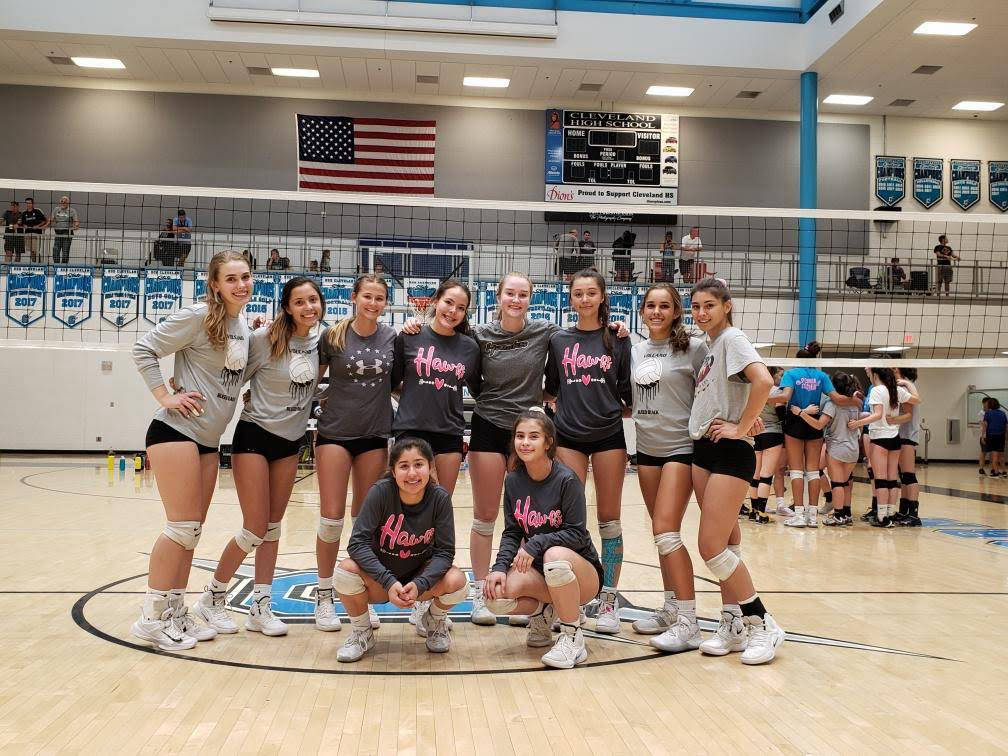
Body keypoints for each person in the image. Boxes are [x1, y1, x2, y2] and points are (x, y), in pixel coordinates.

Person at [403, 273, 626, 627]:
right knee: (485, 516)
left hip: (527, 430)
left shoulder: (547, 333)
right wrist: (415, 324)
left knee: (531, 516)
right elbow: (462, 365)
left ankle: (545, 595)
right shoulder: (478, 336)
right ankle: (481, 592)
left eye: (523, 294)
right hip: (489, 426)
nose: (516, 300)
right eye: (510, 293)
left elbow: (583, 341)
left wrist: (616, 327)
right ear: (499, 296)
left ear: (530, 299)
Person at [130, 250, 252, 650]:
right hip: (175, 432)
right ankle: (151, 618)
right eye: (230, 279)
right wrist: (165, 396)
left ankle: (175, 610)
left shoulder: (241, 326)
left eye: (245, 277)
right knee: (180, 528)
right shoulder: (198, 315)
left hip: (207, 441)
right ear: (214, 284)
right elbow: (143, 349)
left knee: (192, 532)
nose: (240, 285)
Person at [194, 277, 323, 636]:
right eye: (299, 302)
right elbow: (230, 376)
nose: (308, 307)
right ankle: (212, 597)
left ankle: (260, 607)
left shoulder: (322, 343)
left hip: (291, 441)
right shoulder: (264, 339)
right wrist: (185, 388)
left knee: (272, 527)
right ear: (287, 307)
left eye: (313, 300)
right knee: (254, 527)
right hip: (254, 436)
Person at [687, 277, 782, 664]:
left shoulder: (732, 338)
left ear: (727, 305)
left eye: (709, 305)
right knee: (726, 543)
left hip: (729, 451)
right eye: (696, 306)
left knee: (710, 546)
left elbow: (764, 381)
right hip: (704, 448)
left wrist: (741, 427)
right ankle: (733, 624)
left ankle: (762, 623)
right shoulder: (711, 347)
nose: (701, 312)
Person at [545, 270, 632, 635]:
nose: (584, 299)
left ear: (601, 297)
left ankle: (608, 599)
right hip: (568, 436)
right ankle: (574, 599)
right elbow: (550, 389)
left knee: (609, 518)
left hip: (609, 435)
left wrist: (607, 409)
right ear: (571, 298)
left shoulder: (618, 339)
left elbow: (627, 391)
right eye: (578, 293)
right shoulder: (558, 339)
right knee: (569, 519)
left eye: (590, 293)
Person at [483, 409, 604, 668]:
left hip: (581, 574)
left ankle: (572, 637)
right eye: (520, 436)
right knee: (495, 597)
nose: (525, 442)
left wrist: (536, 544)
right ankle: (544, 612)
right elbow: (512, 532)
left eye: (533, 436)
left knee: (554, 555)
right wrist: (499, 568)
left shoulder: (567, 480)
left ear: (548, 442)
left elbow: (576, 533)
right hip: (541, 572)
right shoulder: (513, 481)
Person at [334, 438, 469, 662]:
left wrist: (421, 583)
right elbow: (357, 544)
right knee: (345, 572)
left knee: (458, 582)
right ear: (393, 471)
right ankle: (362, 632)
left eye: (419, 464)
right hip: (381, 582)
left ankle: (434, 619)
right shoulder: (380, 492)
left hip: (418, 582)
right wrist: (388, 582)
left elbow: (445, 552)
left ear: (430, 467)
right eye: (404, 466)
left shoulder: (440, 498)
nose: (412, 473)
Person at [313, 275, 396, 632]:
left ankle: (362, 592)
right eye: (367, 297)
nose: (373, 303)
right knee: (331, 519)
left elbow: (402, 382)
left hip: (375, 434)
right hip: (335, 433)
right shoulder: (332, 336)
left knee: (366, 522)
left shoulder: (392, 338)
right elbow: (310, 381)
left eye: (379, 298)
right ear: (354, 297)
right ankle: (324, 596)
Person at [629, 284, 706, 650]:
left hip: (680, 447)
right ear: (642, 311)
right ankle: (671, 608)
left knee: (666, 530)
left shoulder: (695, 348)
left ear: (676, 311)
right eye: (650, 305)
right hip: (647, 449)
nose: (656, 312)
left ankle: (689, 622)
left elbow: (716, 389)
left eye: (664, 306)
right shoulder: (636, 349)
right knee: (661, 534)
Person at [778, 342, 860, 528]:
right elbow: (838, 399)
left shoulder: (791, 374)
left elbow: (784, 397)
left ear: (798, 360)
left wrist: (763, 397)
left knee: (796, 471)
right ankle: (813, 516)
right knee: (814, 471)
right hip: (814, 422)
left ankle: (799, 515)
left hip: (795, 421)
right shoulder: (821, 376)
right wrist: (854, 401)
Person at [848, 368, 917, 527]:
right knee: (892, 479)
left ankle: (882, 517)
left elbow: (878, 414)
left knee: (880, 480)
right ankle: (890, 515)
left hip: (879, 438)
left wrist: (857, 423)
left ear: (875, 374)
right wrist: (908, 384)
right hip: (895, 438)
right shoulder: (895, 389)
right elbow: (917, 400)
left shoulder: (877, 390)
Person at [793, 372, 861, 527]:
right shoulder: (854, 403)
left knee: (837, 484)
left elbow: (818, 425)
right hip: (853, 448)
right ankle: (846, 514)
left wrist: (801, 413)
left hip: (837, 448)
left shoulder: (832, 404)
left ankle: (838, 515)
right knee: (845, 483)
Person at [748, 366, 786, 523]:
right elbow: (781, 414)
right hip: (772, 433)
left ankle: (753, 511)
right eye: (780, 374)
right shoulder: (776, 391)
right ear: (773, 375)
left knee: (755, 474)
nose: (781, 377)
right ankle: (761, 513)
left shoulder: (752, 388)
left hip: (755, 432)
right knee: (766, 474)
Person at [894, 368, 923, 524]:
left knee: (909, 475)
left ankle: (913, 515)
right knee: (904, 476)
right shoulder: (904, 385)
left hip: (907, 434)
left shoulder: (906, 386)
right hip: (902, 435)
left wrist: (890, 421)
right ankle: (903, 511)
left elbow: (909, 412)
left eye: (893, 368)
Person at [47, 195, 80, 265]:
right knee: (55, 250)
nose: (63, 203)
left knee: (65, 252)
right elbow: (51, 219)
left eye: (65, 202)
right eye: (62, 202)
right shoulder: (56, 209)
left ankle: (64, 267)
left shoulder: (72, 211)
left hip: (67, 233)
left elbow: (76, 221)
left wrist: (76, 225)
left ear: (68, 203)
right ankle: (56, 266)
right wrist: (45, 226)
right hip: (58, 233)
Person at [982, 398, 1007, 478]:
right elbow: (1006, 426)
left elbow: (985, 426)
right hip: (1001, 436)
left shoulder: (988, 413)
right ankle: (1004, 472)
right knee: (1001, 455)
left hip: (992, 435)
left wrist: (983, 436)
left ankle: (996, 472)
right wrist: (1006, 436)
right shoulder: (1003, 413)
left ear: (989, 405)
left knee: (994, 455)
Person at [19, 197, 46, 264]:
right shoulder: (24, 213)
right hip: (28, 234)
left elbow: (44, 221)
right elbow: (21, 223)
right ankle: (35, 264)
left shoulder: (37, 211)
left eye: (29, 203)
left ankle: (39, 264)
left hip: (36, 234)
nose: (28, 204)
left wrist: (38, 226)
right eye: (27, 203)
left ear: (33, 204)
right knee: (31, 251)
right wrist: (24, 225)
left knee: (35, 250)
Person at [979, 398, 992, 476]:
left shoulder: (991, 412)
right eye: (986, 403)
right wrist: (983, 436)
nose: (987, 405)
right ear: (983, 403)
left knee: (993, 453)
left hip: (992, 435)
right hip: (984, 435)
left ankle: (992, 469)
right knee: (983, 452)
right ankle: (981, 468)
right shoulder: (981, 413)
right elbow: (983, 424)